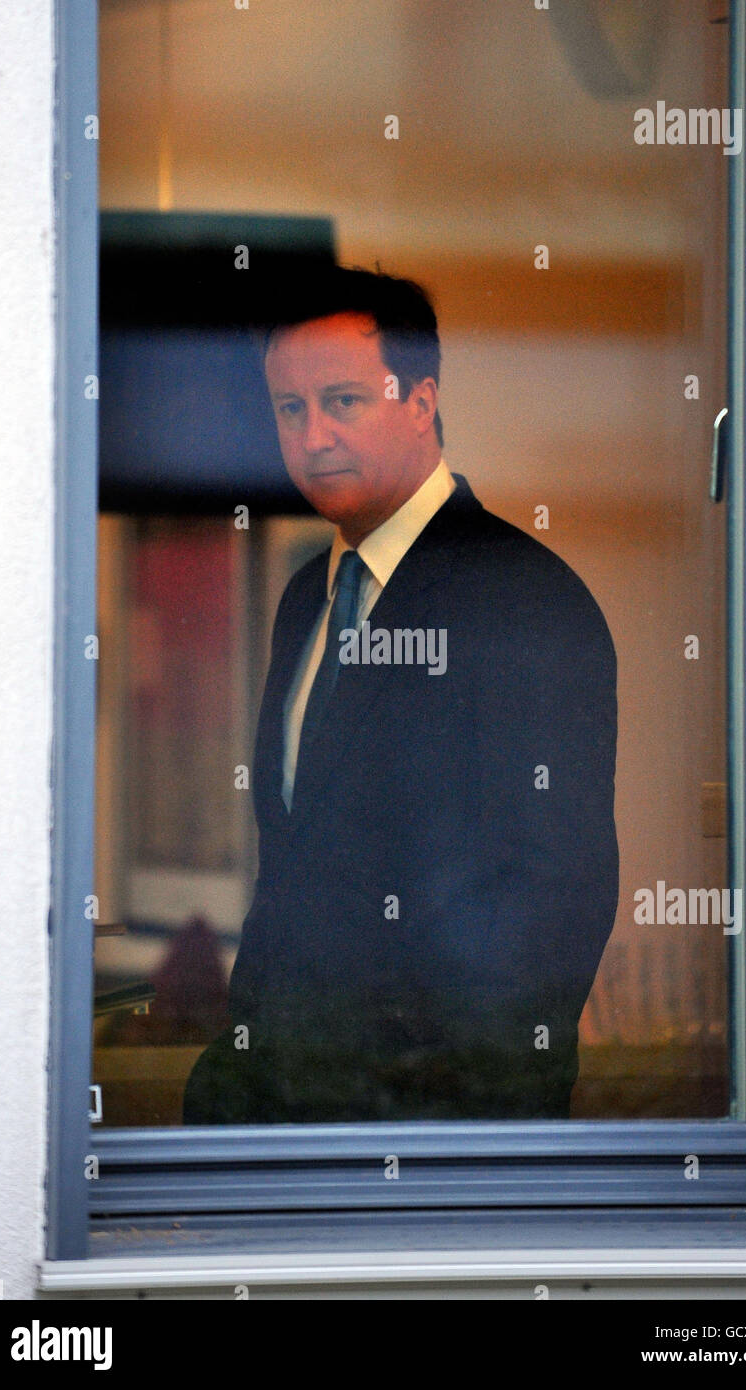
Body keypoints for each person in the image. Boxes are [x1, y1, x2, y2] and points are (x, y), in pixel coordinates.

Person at [183, 266, 618, 1123]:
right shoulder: (308, 596)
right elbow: (295, 871)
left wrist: (435, 1137)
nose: (312, 437)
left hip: (437, 1150)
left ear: (422, 401)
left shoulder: (523, 596)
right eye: (289, 409)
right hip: (275, 1128)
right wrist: (232, 1077)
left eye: (341, 401)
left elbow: (557, 896)